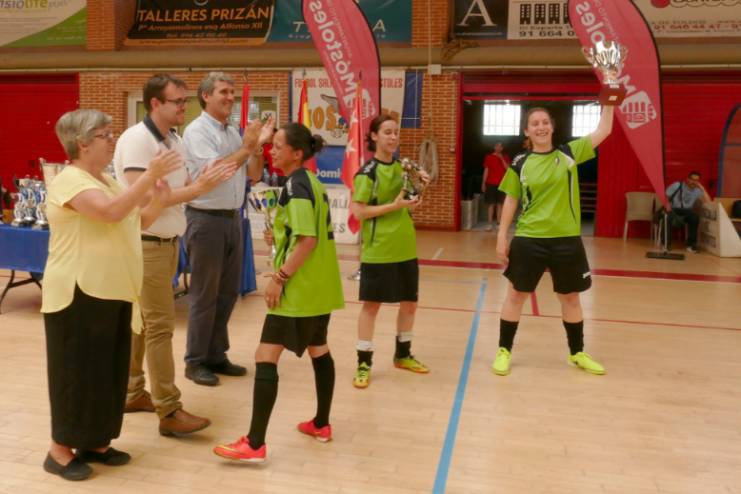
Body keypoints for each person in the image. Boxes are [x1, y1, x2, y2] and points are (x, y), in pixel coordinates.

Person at [41, 109, 181, 480]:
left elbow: (136, 220)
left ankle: (95, 441)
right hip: (78, 293)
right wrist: (148, 176)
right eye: (105, 135)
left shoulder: (106, 181)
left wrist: (159, 199)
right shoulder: (70, 180)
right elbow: (108, 213)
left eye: (111, 133)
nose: (112, 140)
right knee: (76, 371)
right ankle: (59, 451)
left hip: (113, 290)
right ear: (82, 143)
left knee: (107, 371)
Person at [114, 74, 238, 436]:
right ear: (155, 103)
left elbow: (176, 190)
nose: (185, 107)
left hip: (167, 242)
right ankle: (168, 409)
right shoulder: (137, 140)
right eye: (178, 101)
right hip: (145, 242)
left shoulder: (175, 140)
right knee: (160, 327)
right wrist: (199, 188)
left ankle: (132, 391)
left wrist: (195, 186)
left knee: (142, 324)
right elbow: (146, 197)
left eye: (186, 101)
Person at [213, 123, 343, 462]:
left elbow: (308, 240)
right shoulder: (310, 181)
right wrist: (281, 234)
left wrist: (280, 277)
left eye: (279, 146)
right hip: (321, 287)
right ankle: (321, 424)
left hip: (299, 290)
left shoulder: (296, 186)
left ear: (296, 153)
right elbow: (305, 231)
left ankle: (255, 443)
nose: (272, 150)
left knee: (264, 356)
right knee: (318, 349)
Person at [491, 105, 614, 377]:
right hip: (529, 238)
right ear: (527, 131)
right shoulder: (519, 163)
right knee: (515, 295)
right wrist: (501, 236)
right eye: (535, 123)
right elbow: (510, 200)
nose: (541, 127)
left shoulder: (569, 153)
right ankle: (504, 350)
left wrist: (610, 101)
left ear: (552, 127)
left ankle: (577, 353)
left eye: (545, 122)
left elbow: (604, 130)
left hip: (566, 240)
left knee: (570, 298)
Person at [182, 72, 273, 386]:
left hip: (233, 219)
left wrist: (257, 148)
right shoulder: (196, 131)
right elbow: (216, 172)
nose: (230, 98)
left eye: (233, 92)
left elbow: (253, 175)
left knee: (227, 293)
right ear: (206, 95)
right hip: (205, 220)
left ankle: (216, 354)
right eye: (224, 92)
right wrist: (247, 147)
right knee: (204, 295)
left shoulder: (233, 133)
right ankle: (195, 361)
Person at [349, 114, 430, 389]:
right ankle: (363, 362)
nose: (393, 137)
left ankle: (403, 355)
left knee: (410, 304)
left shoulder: (403, 168)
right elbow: (359, 211)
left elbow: (410, 202)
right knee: (372, 306)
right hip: (379, 249)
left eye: (396, 132)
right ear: (374, 136)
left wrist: (419, 189)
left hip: (405, 247)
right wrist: (394, 206)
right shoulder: (367, 172)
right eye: (387, 132)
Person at [665, 171, 711, 253]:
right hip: (674, 209)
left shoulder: (697, 191)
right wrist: (668, 207)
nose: (694, 182)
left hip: (687, 211)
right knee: (668, 218)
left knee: (694, 217)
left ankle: (691, 245)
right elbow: (665, 196)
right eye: (692, 179)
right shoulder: (677, 185)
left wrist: (702, 188)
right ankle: (666, 244)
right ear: (687, 179)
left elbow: (708, 202)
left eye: (696, 180)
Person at [481, 142, 511, 231]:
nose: (498, 148)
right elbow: (486, 170)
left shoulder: (505, 157)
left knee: (500, 204)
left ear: (502, 148)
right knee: (491, 204)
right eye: (497, 146)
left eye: (500, 146)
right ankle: (489, 224)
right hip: (490, 183)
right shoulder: (489, 157)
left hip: (502, 184)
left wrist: (501, 159)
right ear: (494, 147)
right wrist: (483, 183)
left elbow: (508, 169)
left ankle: (498, 223)